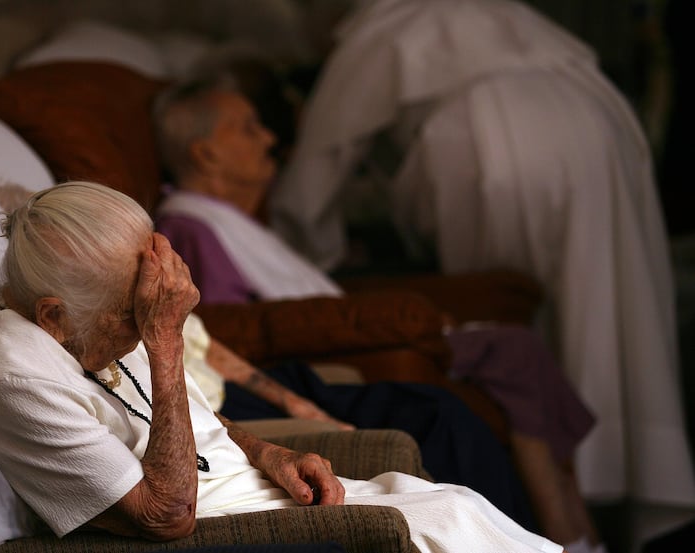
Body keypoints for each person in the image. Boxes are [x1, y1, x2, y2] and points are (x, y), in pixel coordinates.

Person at [0, 180, 565, 552]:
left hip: (258, 497)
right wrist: (165, 339)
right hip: (225, 531)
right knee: (449, 521)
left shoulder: (90, 316)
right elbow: (165, 518)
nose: (146, 329)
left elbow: (196, 425)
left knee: (457, 503)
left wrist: (271, 455)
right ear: (53, 318)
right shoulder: (17, 378)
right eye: (134, 317)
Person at [266, 0, 695, 509]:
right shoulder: (490, 12)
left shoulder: (381, 30)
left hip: (500, 139)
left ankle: (579, 483)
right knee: (608, 299)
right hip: (599, 125)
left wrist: (307, 248)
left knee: (520, 306)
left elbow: (321, 159)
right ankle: (616, 478)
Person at [152, 78, 602, 553]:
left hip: (272, 383)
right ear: (206, 155)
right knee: (445, 411)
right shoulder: (187, 229)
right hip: (254, 384)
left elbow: (204, 338)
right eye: (247, 129)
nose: (267, 138)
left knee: (456, 401)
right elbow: (230, 327)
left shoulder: (232, 222)